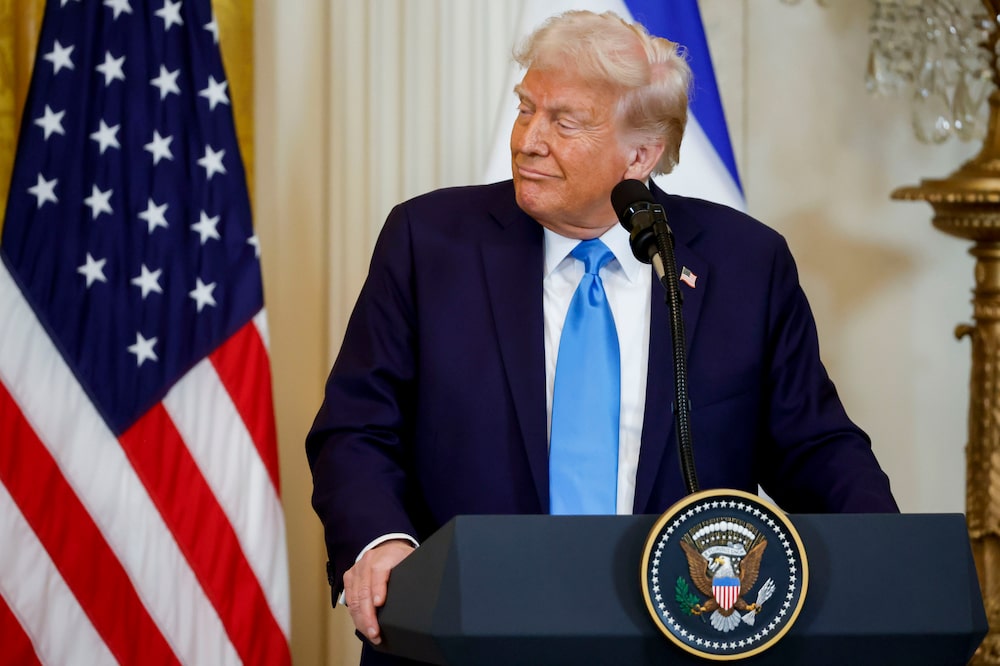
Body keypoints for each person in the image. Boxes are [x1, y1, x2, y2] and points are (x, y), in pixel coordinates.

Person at [306, 9, 898, 665]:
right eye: (527, 108)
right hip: (463, 635)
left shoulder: (743, 264)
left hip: (675, 639)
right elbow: (356, 429)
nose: (527, 139)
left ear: (640, 155)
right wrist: (380, 540)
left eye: (564, 121)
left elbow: (815, 445)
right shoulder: (429, 241)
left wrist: (890, 563)